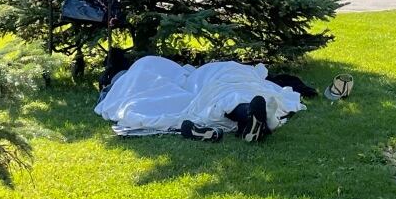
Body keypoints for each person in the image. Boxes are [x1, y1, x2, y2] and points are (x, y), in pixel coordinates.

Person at [94, 56, 304, 142]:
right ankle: (252, 117)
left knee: (218, 89)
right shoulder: (131, 75)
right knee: (219, 92)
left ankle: (250, 118)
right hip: (189, 79)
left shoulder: (127, 77)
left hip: (191, 78)